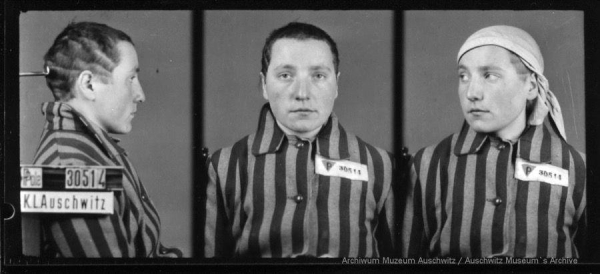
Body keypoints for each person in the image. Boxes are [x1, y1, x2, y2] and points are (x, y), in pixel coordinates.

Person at [202, 22, 396, 258]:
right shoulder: (225, 165)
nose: (302, 93)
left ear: (336, 84)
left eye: (318, 76)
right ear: (264, 84)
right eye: (285, 75)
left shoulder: (379, 164)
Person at [401, 25, 586, 258]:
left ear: (530, 85)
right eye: (463, 76)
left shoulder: (578, 168)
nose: (472, 92)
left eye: (489, 76)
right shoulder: (429, 164)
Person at [32, 22, 181, 257]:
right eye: (131, 79)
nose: (140, 95)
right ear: (89, 85)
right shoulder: (72, 170)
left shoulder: (94, 152)